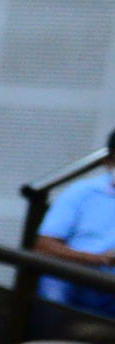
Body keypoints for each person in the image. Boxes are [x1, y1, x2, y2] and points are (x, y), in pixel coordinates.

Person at [32, 122, 115, 319]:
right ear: (109, 161)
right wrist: (98, 259)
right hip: (76, 275)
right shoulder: (82, 192)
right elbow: (44, 245)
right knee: (53, 288)